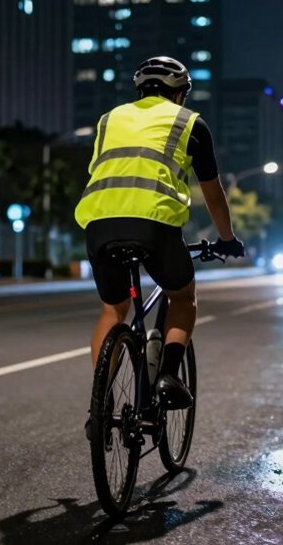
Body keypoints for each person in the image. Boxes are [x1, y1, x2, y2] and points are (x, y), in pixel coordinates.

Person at [74, 56, 245, 421]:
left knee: (113, 310)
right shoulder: (189, 123)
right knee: (182, 297)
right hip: (154, 224)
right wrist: (227, 239)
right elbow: (213, 194)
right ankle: (167, 376)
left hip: (99, 222)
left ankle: (99, 404)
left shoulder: (109, 119)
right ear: (181, 93)